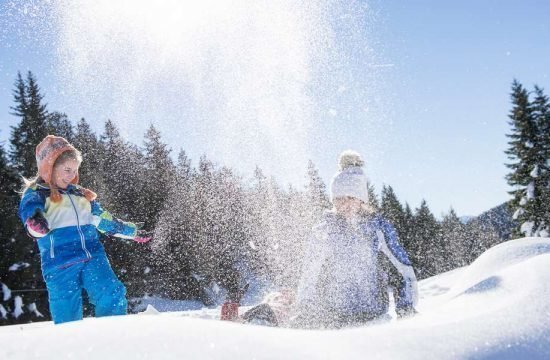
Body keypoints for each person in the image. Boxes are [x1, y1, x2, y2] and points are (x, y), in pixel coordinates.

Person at [18, 135, 151, 324]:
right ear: (49, 167)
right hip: (60, 263)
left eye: (74, 170)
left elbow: (105, 220)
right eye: (66, 170)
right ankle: (71, 349)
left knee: (111, 292)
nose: (71, 176)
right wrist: (35, 222)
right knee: (66, 312)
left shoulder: (82, 195)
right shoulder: (37, 194)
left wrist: (132, 232)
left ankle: (113, 338)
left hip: (92, 256)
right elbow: (29, 211)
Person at [292, 150, 418, 329]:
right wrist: (305, 311)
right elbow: (310, 274)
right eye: (339, 199)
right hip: (335, 318)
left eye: (351, 197)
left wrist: (406, 308)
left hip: (375, 317)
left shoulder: (377, 228)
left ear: (361, 199)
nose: (345, 204)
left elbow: (403, 269)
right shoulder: (325, 230)